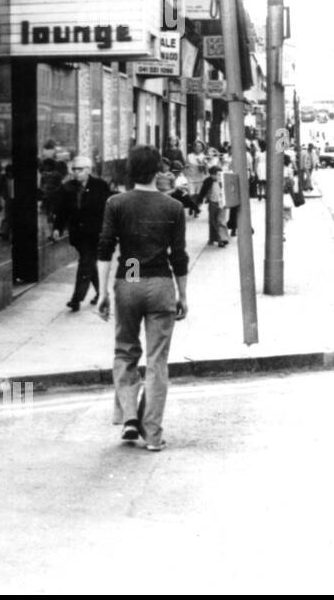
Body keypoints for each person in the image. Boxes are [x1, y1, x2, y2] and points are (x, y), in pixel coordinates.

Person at [97, 145, 189, 453]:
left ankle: (129, 418)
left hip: (130, 277)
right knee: (157, 361)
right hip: (161, 281)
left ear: (130, 170)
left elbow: (105, 248)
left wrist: (102, 291)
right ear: (158, 171)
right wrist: (183, 294)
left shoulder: (116, 203)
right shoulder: (173, 207)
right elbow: (179, 256)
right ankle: (152, 435)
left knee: (125, 352)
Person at [52, 155, 112, 311]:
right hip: (78, 234)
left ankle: (76, 299)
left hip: (96, 233)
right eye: (74, 169)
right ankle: (102, 292)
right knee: (89, 263)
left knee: (85, 262)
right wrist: (57, 228)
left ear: (88, 170)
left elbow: (108, 210)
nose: (76, 173)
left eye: (79, 169)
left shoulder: (100, 186)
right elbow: (62, 211)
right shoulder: (68, 187)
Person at [199, 162, 227, 247]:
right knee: (212, 221)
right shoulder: (208, 181)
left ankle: (222, 239)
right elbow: (203, 191)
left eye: (217, 174)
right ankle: (212, 238)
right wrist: (199, 200)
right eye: (213, 174)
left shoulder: (224, 180)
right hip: (212, 202)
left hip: (222, 203)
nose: (215, 176)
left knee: (221, 221)